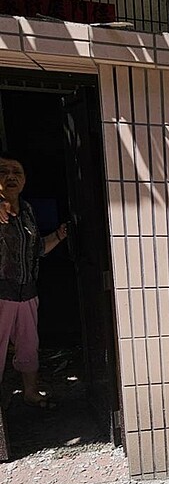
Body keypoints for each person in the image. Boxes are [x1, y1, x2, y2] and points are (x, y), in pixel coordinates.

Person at [0, 157, 68, 408]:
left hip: (27, 291)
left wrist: (60, 235)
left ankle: (30, 392)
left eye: (16, 171)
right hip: (1, 293)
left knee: (29, 345)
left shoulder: (27, 210)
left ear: (25, 179)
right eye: (3, 171)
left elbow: (37, 248)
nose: (11, 176)